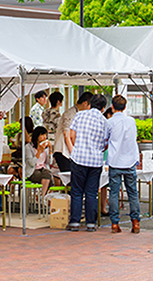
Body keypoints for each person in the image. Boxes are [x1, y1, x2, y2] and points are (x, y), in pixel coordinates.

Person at [67, 94, 109, 232]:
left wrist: (76, 148)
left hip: (79, 158)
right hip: (96, 161)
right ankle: (91, 223)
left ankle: (75, 222)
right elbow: (106, 144)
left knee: (77, 192)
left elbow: (71, 135)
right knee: (91, 193)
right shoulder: (104, 122)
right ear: (103, 108)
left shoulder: (80, 115)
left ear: (90, 104)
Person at [105, 95, 141, 234]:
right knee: (133, 193)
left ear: (112, 107)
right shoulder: (131, 121)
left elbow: (105, 139)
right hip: (130, 160)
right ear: (125, 107)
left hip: (115, 161)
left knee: (114, 193)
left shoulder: (110, 122)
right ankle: (135, 222)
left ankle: (114, 223)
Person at [56, 92, 93, 174]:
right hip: (63, 151)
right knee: (70, 177)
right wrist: (73, 151)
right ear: (85, 103)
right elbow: (66, 133)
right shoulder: (71, 113)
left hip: (68, 151)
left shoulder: (78, 113)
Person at [23, 126, 52, 198]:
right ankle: (42, 196)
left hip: (43, 169)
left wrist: (50, 150)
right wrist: (39, 152)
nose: (44, 137)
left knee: (47, 173)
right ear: (36, 136)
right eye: (42, 135)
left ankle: (41, 196)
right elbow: (31, 163)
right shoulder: (28, 147)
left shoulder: (46, 148)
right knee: (48, 178)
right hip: (32, 171)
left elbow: (49, 162)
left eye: (45, 135)